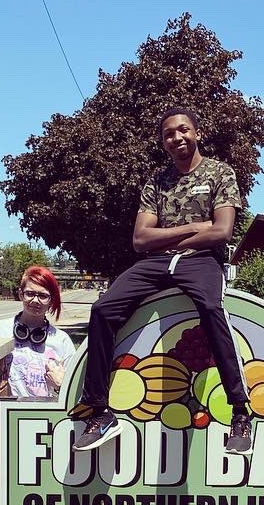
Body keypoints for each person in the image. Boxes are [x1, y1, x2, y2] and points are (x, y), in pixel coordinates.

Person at [73, 106, 253, 455]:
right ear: (163, 141)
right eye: (169, 134)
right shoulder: (157, 181)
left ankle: (240, 411)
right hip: (156, 263)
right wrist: (193, 227)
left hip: (202, 261)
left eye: (183, 130)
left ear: (197, 133)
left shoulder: (220, 172)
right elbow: (140, 239)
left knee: (211, 307)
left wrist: (168, 237)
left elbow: (222, 231)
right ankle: (99, 410)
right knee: (102, 309)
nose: (177, 137)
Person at [8, 265, 75, 401]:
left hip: (45, 411)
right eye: (30, 293)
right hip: (6, 411)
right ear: (21, 294)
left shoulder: (62, 340)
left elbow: (75, 390)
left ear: (51, 300)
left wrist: (61, 385)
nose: (35, 300)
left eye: (43, 296)